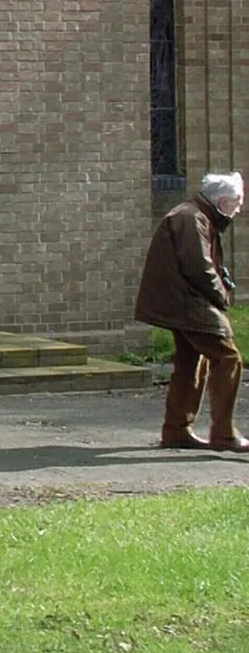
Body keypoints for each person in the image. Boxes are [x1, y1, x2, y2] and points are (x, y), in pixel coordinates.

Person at [135, 171, 246, 452]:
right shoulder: (192, 218)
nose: (239, 208)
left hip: (177, 301)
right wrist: (221, 297)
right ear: (223, 202)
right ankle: (222, 434)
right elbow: (199, 268)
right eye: (238, 202)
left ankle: (177, 429)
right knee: (228, 358)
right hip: (185, 302)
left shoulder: (194, 215)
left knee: (190, 361)